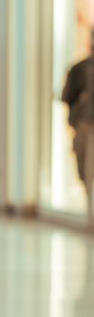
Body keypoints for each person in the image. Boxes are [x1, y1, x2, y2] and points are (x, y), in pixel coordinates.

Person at [62, 32, 94, 220]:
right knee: (85, 165)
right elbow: (68, 97)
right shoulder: (79, 68)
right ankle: (89, 206)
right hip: (84, 124)